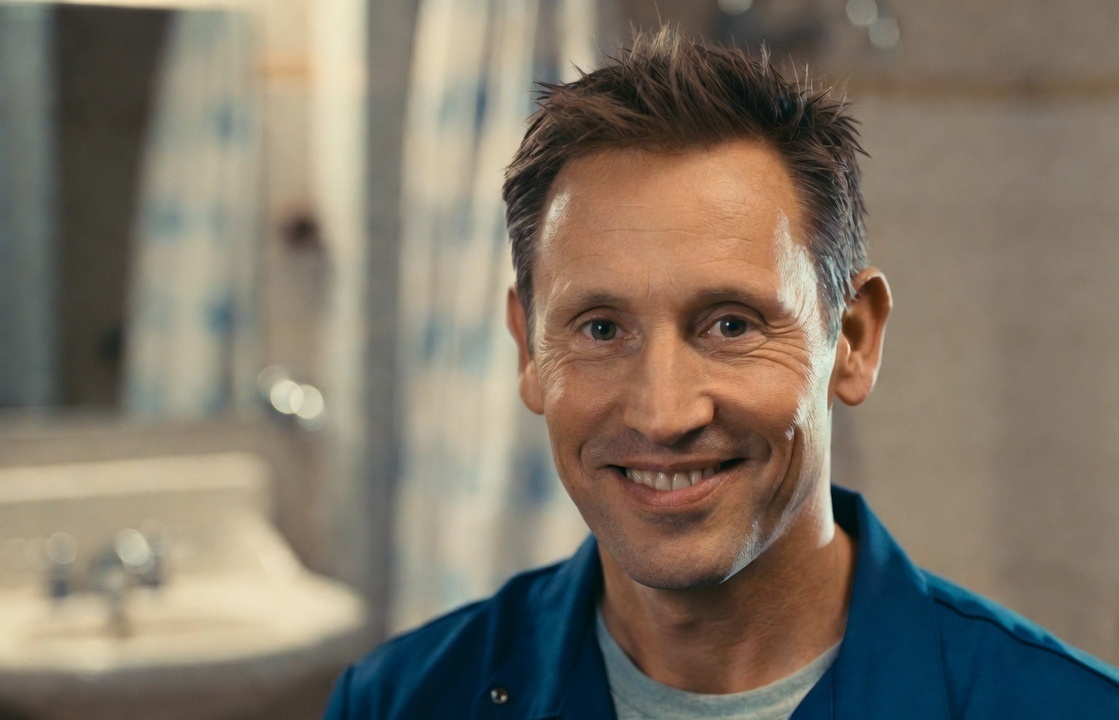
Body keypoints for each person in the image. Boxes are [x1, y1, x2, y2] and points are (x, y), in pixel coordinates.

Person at [324, 28, 1119, 719]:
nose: (663, 413)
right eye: (600, 329)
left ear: (852, 338)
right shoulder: (398, 701)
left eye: (730, 325)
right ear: (528, 351)